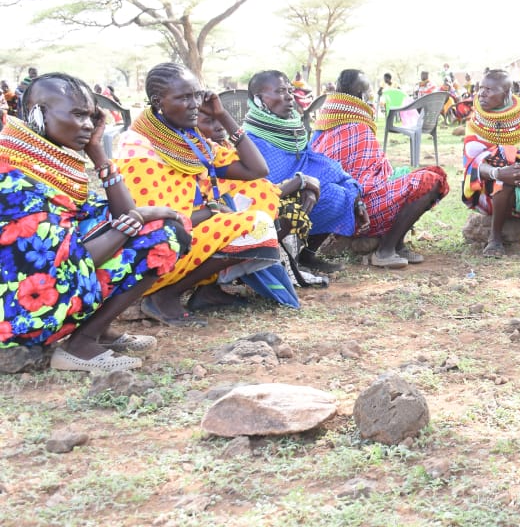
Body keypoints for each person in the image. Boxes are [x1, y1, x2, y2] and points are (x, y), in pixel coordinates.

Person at [1, 73, 188, 372]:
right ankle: (80, 345)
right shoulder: (13, 178)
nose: (88, 125)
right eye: (77, 115)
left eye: (91, 116)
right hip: (21, 313)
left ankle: (97, 331)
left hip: (45, 285)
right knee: (160, 237)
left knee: (161, 231)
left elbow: (119, 213)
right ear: (39, 113)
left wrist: (98, 152)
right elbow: (63, 264)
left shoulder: (37, 159)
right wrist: (132, 222)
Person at [115, 62, 286, 325]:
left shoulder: (187, 138)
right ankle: (164, 296)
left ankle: (207, 289)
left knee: (259, 193)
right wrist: (215, 211)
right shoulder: (138, 146)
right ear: (158, 101)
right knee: (255, 225)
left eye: (197, 95)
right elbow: (158, 223)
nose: (194, 103)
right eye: (184, 97)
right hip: (152, 253)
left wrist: (224, 115)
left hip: (192, 233)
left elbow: (256, 169)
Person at [312, 69, 448, 268]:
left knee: (430, 174)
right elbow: (361, 181)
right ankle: (385, 250)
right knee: (430, 181)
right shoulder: (353, 125)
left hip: (349, 203)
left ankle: (398, 244)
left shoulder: (329, 120)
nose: (370, 96)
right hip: (358, 210)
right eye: (367, 92)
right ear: (360, 96)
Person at [244, 70, 364, 276]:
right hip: (264, 204)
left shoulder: (293, 131)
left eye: (289, 90)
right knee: (317, 194)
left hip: (298, 188)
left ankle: (306, 256)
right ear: (258, 99)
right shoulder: (250, 141)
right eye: (280, 91)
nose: (290, 96)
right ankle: (260, 264)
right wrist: (302, 184)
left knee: (341, 193)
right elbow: (263, 187)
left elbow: (318, 165)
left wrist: (351, 189)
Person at [462, 69, 520, 257]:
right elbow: (473, 163)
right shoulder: (475, 123)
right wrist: (499, 173)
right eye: (481, 88)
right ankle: (494, 239)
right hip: (487, 190)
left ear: (507, 94)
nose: (482, 93)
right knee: (504, 176)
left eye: (489, 89)